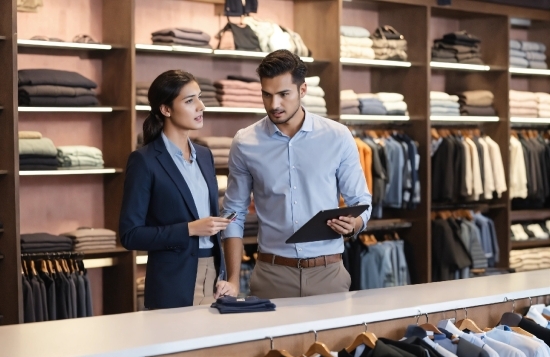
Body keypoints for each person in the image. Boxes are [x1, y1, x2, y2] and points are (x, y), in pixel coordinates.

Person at [222, 50, 372, 299]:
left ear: (302, 90)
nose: (274, 105)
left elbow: (361, 202)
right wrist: (233, 280)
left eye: (283, 94)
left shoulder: (338, 136)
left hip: (328, 273)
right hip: (271, 274)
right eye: (266, 95)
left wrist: (353, 224)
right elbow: (233, 214)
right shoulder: (245, 142)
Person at [119, 70, 238, 309]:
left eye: (200, 97)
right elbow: (130, 235)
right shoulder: (144, 160)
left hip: (215, 278)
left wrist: (225, 275)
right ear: (166, 109)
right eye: (189, 100)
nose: (201, 106)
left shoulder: (205, 156)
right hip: (174, 283)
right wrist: (189, 229)